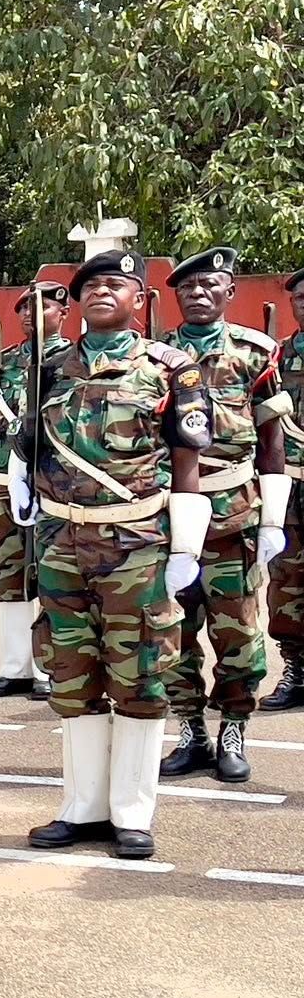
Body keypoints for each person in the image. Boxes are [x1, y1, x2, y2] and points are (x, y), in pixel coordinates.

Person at [12, 251, 211, 860]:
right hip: (63, 542)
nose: (100, 291)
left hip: (136, 544)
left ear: (140, 301)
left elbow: (186, 462)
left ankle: (130, 811)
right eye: (90, 285)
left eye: (115, 284)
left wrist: (185, 548)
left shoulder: (172, 368)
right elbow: (32, 445)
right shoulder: (50, 367)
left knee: (141, 672)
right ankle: (82, 806)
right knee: (71, 673)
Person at [156, 247, 291, 781]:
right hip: (168, 516)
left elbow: (271, 440)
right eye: (187, 287)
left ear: (229, 292)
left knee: (236, 631)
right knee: (175, 628)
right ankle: (190, 729)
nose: (198, 294)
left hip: (233, 513)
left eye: (210, 285)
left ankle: (234, 727)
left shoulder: (255, 353)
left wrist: (274, 519)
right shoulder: (155, 356)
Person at [0, 281, 70, 698]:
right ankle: (15, 667)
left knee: (51, 572)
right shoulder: (6, 361)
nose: (29, 315)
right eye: (24, 309)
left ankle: (51, 668)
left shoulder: (72, 360)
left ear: (63, 313)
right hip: (0, 479)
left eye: (40, 308)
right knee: (7, 572)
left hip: (49, 482)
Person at [257, 266, 304, 711]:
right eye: (300, 298)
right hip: (289, 482)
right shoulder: (277, 357)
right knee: (286, 582)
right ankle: (296, 669)